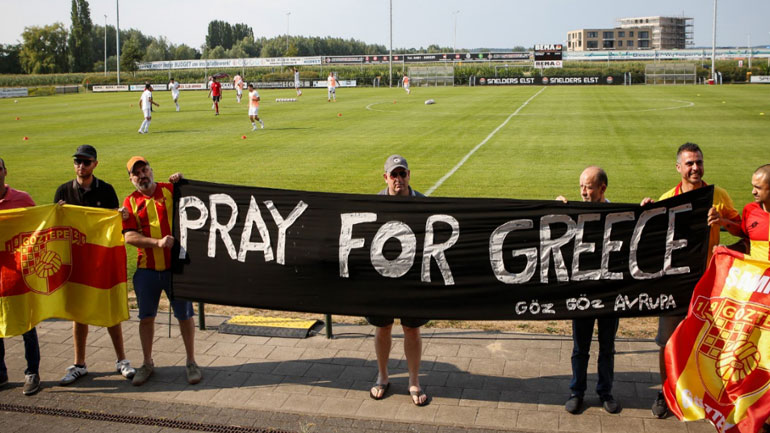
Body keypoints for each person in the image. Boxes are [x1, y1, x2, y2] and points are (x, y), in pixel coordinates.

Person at [641, 143, 742, 418]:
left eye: (699, 162)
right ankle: (665, 393)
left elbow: (742, 228)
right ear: (678, 168)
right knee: (667, 341)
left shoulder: (717, 195)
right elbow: (648, 238)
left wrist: (722, 221)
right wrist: (645, 212)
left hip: (710, 284)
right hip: (674, 284)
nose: (695, 168)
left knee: (713, 342)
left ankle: (709, 395)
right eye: (689, 164)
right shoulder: (667, 198)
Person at [54, 145, 136, 385]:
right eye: (77, 161)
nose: (81, 166)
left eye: (86, 162)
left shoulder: (107, 190)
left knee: (110, 311)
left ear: (95, 164)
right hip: (77, 261)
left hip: (100, 260)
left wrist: (118, 215)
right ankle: (79, 364)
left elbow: (113, 223)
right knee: (79, 314)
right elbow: (56, 229)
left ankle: (122, 360)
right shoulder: (63, 191)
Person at [122, 156, 201, 386]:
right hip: (146, 271)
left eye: (145, 170)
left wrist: (182, 181)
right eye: (136, 173)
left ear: (151, 170)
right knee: (146, 317)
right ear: (131, 179)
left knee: (185, 316)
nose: (142, 175)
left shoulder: (170, 190)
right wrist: (156, 243)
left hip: (176, 269)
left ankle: (191, 361)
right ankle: (147, 363)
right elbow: (129, 236)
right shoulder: (129, 202)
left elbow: (197, 203)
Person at [557, 167, 620, 414]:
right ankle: (577, 392)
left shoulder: (621, 215)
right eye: (581, 186)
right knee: (580, 347)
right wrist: (556, 210)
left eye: (589, 187)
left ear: (603, 188)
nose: (583, 192)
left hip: (609, 293)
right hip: (582, 292)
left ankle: (605, 392)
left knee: (607, 346)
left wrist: (646, 208)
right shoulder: (575, 211)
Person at [368, 154, 429, 407]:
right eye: (394, 174)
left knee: (411, 329)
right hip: (382, 279)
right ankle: (383, 376)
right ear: (386, 178)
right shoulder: (373, 204)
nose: (398, 179)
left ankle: (414, 380)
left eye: (402, 174)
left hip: (413, 279)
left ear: (409, 175)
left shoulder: (425, 203)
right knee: (382, 327)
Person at [0, 157, 41, 396]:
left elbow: (41, 227)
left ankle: (32, 372)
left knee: (27, 325)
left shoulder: (22, 199)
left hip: (20, 276)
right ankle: (1, 372)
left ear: (5, 170)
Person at [740, 164, 770, 261]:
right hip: (759, 275)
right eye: (753, 186)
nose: (753, 191)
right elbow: (747, 243)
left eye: (758, 188)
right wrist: (725, 249)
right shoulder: (749, 210)